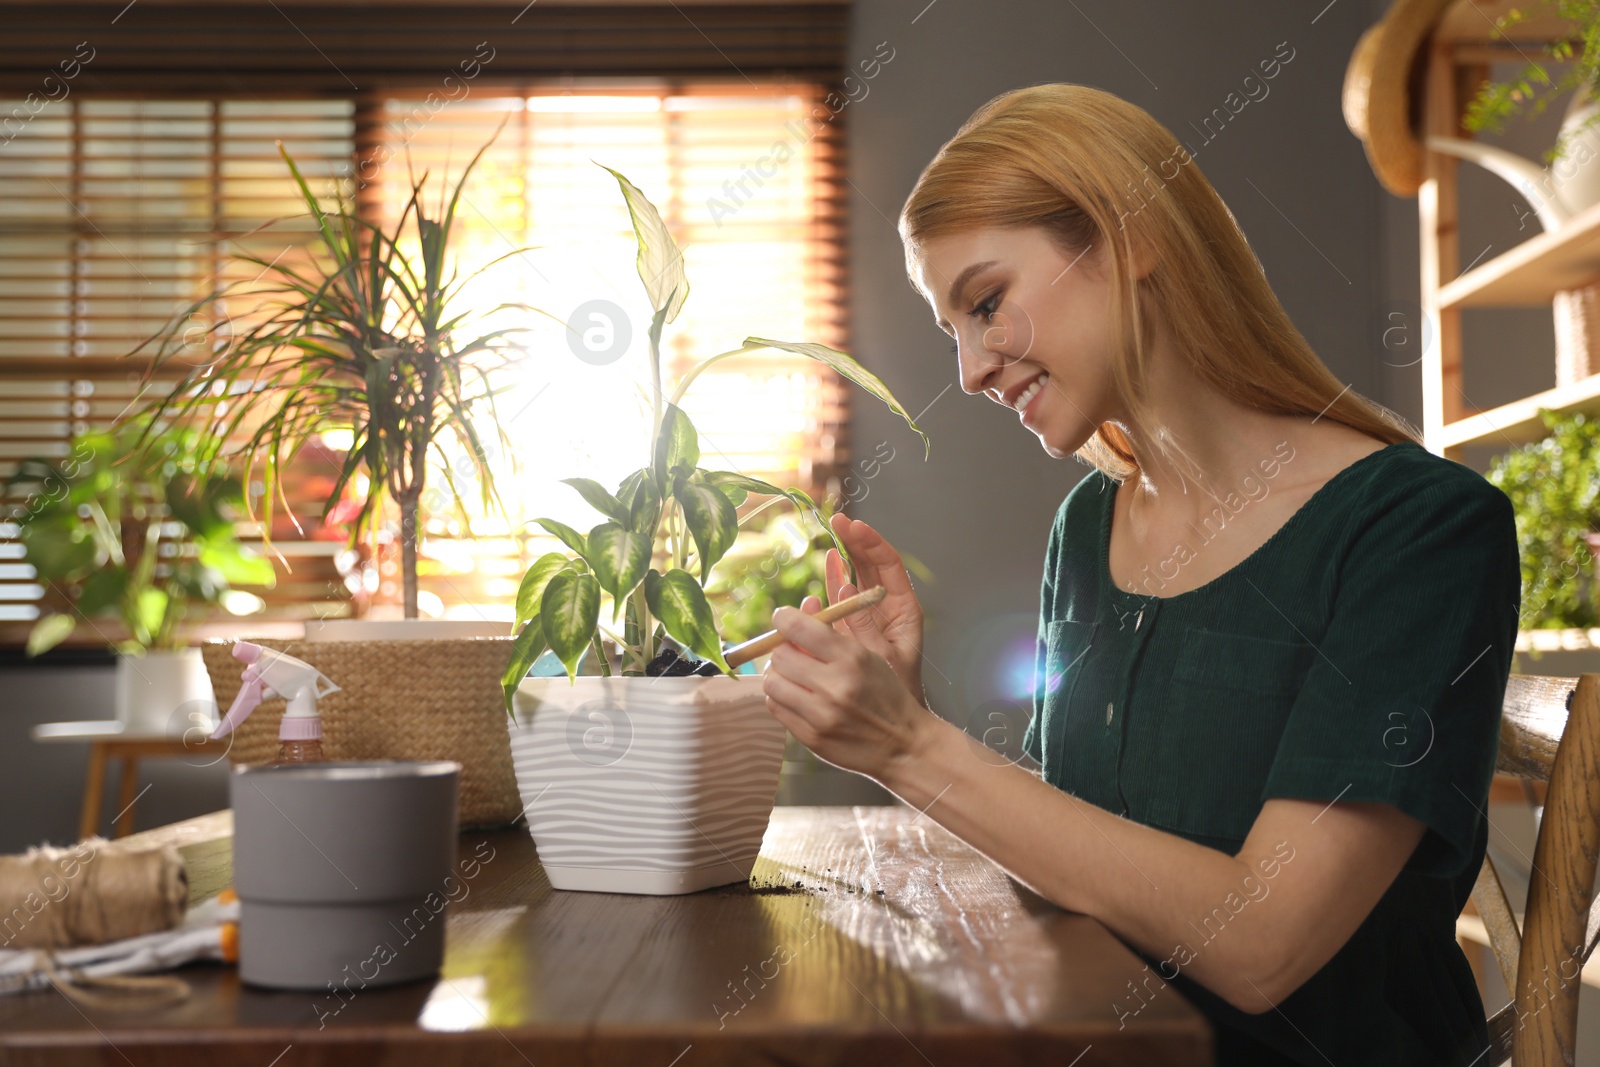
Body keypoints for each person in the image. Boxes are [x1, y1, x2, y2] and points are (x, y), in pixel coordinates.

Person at [759, 83, 1520, 1067]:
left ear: (1126, 238)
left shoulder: (1419, 530)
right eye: (954, 324)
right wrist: (905, 718)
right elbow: (1086, 854)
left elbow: (1259, 944)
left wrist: (911, 749)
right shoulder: (1090, 523)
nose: (968, 370)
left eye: (986, 303)